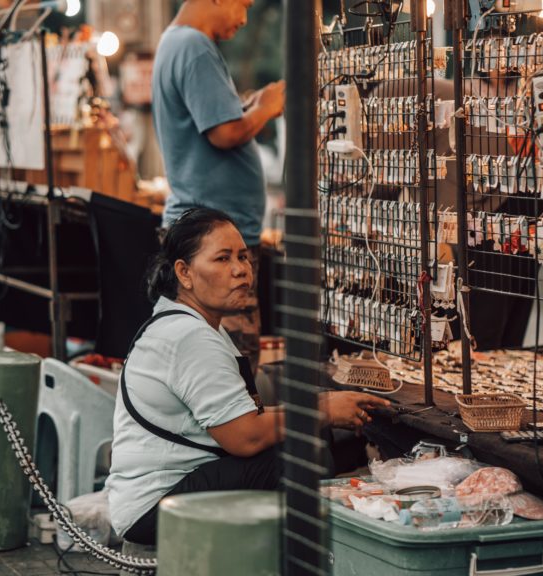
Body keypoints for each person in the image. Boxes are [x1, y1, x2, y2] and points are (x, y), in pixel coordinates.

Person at [105, 207, 390, 545]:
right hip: (154, 505)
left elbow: (244, 417)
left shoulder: (198, 325)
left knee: (318, 440)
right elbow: (244, 437)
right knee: (298, 458)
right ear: (184, 272)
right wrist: (323, 409)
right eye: (223, 259)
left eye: (244, 257)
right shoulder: (188, 336)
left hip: (176, 487)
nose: (241, 270)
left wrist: (323, 408)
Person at [153, 0, 286, 372]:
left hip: (211, 229)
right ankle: (237, 431)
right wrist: (269, 107)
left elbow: (219, 120)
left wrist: (249, 109)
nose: (244, 19)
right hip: (215, 237)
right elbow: (224, 133)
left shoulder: (177, 42)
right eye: (242, 5)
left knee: (215, 356)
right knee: (230, 364)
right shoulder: (193, 46)